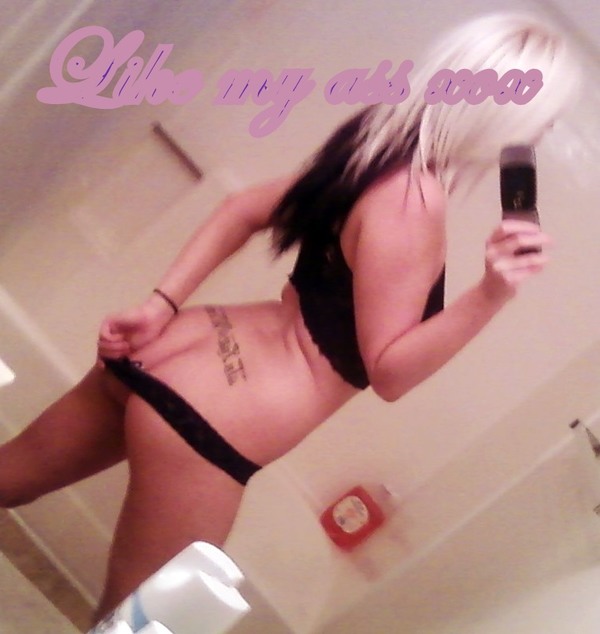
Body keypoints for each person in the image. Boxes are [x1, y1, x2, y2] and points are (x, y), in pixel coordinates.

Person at [0, 11, 581, 623]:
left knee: (8, 475)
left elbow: (241, 208)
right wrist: (491, 293)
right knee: (138, 623)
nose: (544, 128)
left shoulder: (373, 144)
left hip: (178, 347)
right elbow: (389, 372)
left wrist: (158, 306)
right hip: (212, 420)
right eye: (545, 114)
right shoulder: (414, 201)